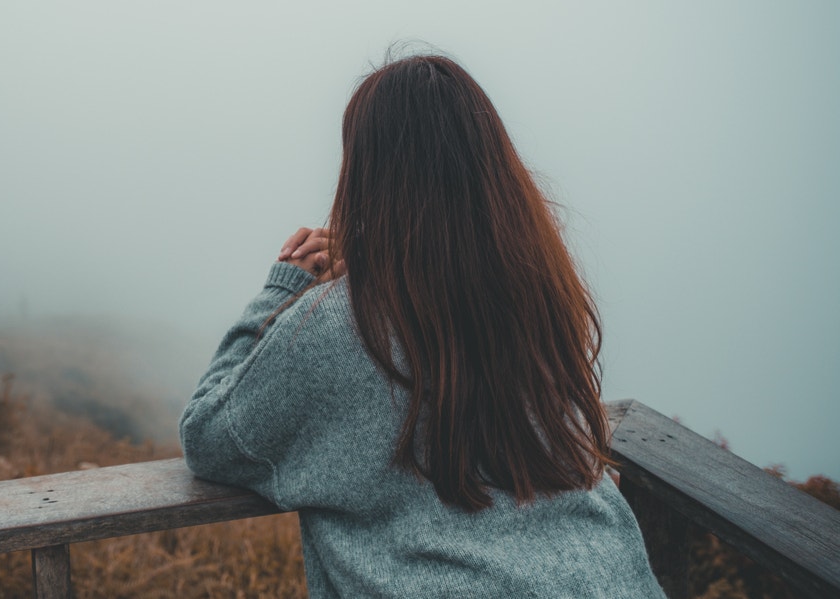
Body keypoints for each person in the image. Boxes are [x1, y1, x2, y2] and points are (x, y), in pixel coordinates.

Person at [179, 55, 664, 597]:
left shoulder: (341, 324)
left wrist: (282, 289)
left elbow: (210, 437)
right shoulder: (537, 289)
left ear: (367, 174)